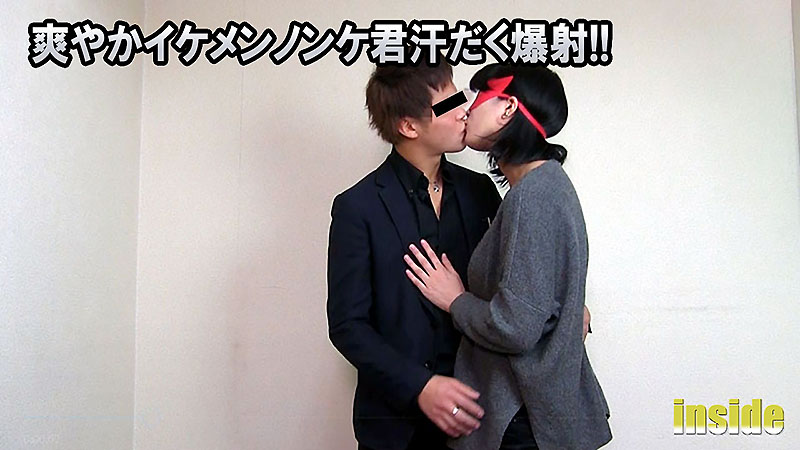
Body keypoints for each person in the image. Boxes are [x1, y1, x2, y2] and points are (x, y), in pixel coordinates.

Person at [404, 64, 612, 450]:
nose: (465, 108)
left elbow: (515, 328)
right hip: (530, 410)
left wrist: (455, 300)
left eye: (477, 97)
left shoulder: (533, 196)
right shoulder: (541, 187)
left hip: (523, 416)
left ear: (507, 108)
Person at [326, 61, 502, 450]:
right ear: (408, 126)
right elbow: (348, 326)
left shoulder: (480, 191)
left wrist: (563, 306)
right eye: (450, 104)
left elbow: (509, 282)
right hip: (394, 428)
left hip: (479, 416)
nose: (465, 110)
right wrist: (420, 386)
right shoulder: (358, 207)